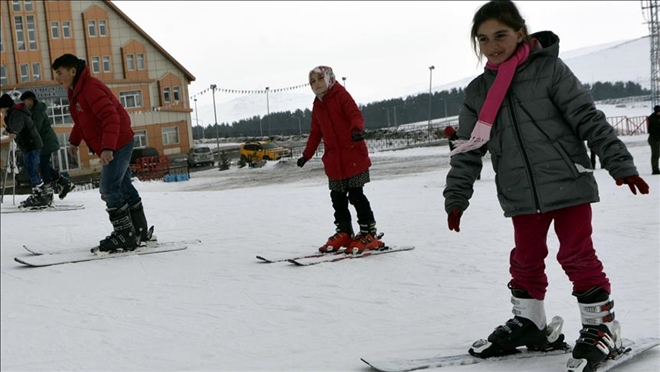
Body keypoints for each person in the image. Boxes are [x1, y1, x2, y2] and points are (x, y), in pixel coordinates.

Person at [442, 1, 650, 371]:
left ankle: (602, 327)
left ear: (520, 32)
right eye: (483, 39)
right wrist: (457, 196)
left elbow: (588, 118)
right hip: (520, 193)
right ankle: (531, 324)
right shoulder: (478, 92)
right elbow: (468, 148)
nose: (492, 46)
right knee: (524, 259)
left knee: (576, 255)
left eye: (500, 35)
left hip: (567, 182)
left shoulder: (550, 70)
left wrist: (620, 163)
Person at [51, 53, 153, 252]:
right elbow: (84, 121)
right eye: (56, 74)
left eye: (60, 73)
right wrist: (74, 141)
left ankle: (125, 235)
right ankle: (138, 231)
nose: (57, 78)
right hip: (116, 142)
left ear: (73, 71)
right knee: (122, 186)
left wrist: (108, 147)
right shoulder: (77, 91)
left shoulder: (90, 88)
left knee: (108, 188)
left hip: (118, 142)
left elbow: (110, 117)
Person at [297, 65, 384, 255]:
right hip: (334, 161)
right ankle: (344, 232)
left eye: (320, 79)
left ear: (329, 78)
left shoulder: (341, 95)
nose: (316, 84)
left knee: (356, 195)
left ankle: (369, 233)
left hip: (353, 156)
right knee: (337, 198)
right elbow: (315, 132)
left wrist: (356, 130)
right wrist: (306, 154)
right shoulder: (317, 104)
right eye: (312, 81)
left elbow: (355, 114)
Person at [20, 91, 75, 200]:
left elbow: (35, 128)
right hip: (41, 143)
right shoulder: (31, 111)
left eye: (25, 101)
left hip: (46, 142)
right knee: (43, 165)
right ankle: (64, 182)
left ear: (31, 100)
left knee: (42, 165)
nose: (24, 103)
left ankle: (47, 188)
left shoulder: (38, 111)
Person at [0, 93, 51, 208]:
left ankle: (41, 195)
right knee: (30, 169)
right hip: (29, 145)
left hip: (32, 144)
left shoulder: (16, 113)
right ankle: (40, 193)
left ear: (6, 107)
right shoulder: (13, 114)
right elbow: (15, 124)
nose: (1, 113)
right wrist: (8, 130)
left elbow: (18, 124)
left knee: (32, 169)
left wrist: (13, 132)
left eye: (1, 110)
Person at [648, 105, 660, 175]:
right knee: (655, 154)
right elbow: (653, 131)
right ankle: (655, 169)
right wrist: (657, 139)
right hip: (654, 139)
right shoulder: (653, 119)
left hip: (656, 138)